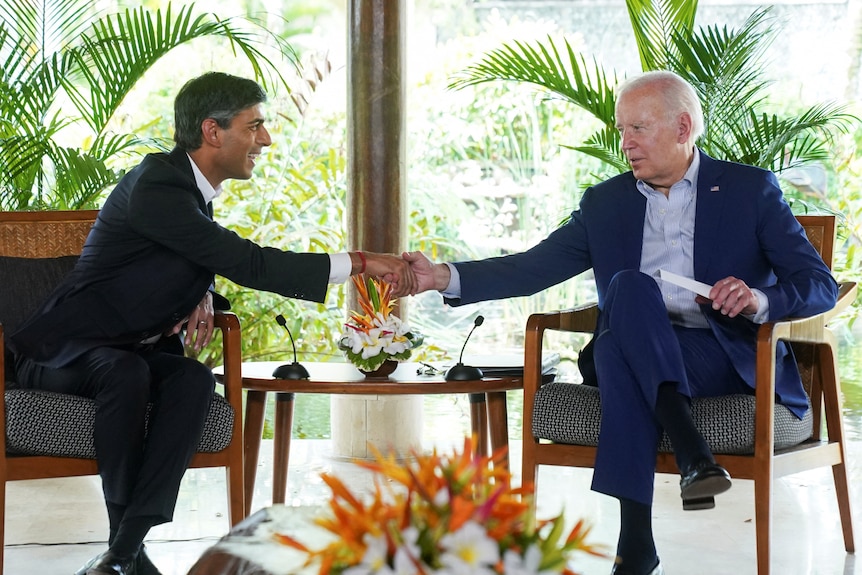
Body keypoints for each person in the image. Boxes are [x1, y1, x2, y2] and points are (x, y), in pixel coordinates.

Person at [403, 70, 838, 575]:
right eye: (622, 130)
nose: (625, 143)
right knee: (628, 295)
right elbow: (531, 267)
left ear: (682, 128)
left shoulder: (748, 190)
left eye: (638, 129)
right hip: (639, 347)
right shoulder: (606, 203)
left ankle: (635, 545)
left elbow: (818, 283)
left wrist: (759, 299)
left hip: (722, 354)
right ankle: (689, 457)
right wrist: (440, 275)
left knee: (616, 347)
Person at [7, 71, 415, 575]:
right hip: (58, 354)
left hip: (119, 354)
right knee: (127, 373)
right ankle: (123, 551)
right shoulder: (157, 183)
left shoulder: (184, 190)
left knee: (193, 377)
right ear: (212, 131)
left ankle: (122, 553)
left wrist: (202, 289)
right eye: (255, 126)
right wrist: (358, 261)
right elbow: (249, 262)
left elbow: (176, 257)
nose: (265, 139)